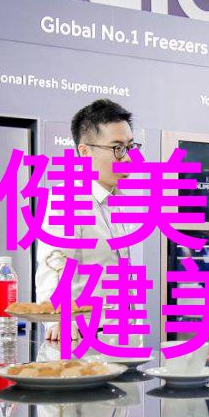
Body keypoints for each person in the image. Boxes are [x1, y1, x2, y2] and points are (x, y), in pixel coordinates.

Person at [35, 99, 139, 344]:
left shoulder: (117, 200)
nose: (127, 157)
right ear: (85, 152)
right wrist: (58, 319)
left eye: (130, 147)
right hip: (83, 338)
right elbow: (54, 264)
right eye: (117, 148)